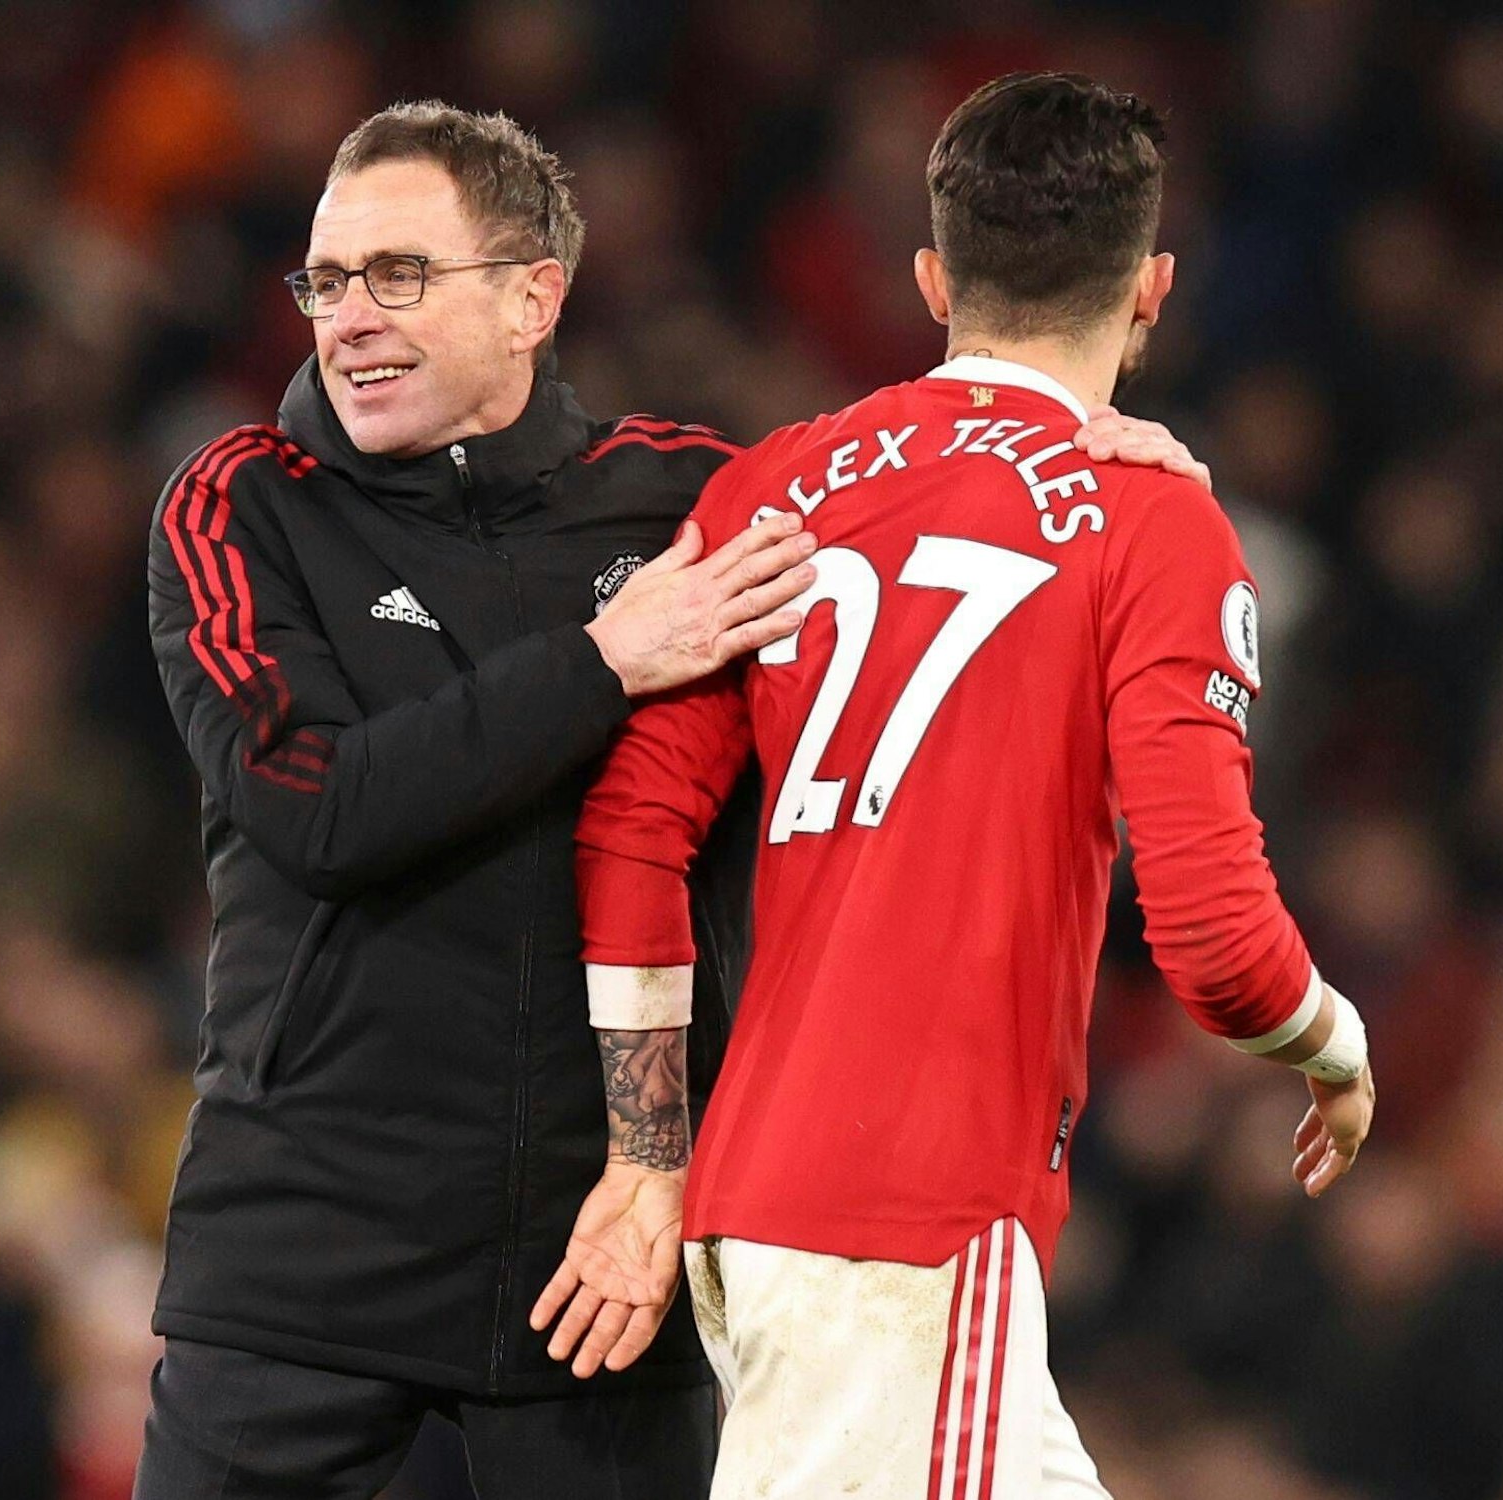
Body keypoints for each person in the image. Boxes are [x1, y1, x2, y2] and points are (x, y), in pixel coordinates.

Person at [140, 99, 1209, 1500]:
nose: (348, 318)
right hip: (300, 1289)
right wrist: (600, 664)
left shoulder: (687, 503)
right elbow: (316, 807)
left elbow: (942, 537)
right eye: (327, 283)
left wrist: (1096, 463)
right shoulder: (237, 505)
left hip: (601, 1295)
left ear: (534, 296)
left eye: (398, 275)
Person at [546, 73, 1377, 1500]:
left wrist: (645, 1154)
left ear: (934, 278)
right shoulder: (1151, 517)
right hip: (913, 1228)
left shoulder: (777, 485)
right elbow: (1215, 941)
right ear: (1153, 291)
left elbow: (633, 829)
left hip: (768, 1211)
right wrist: (1339, 1048)